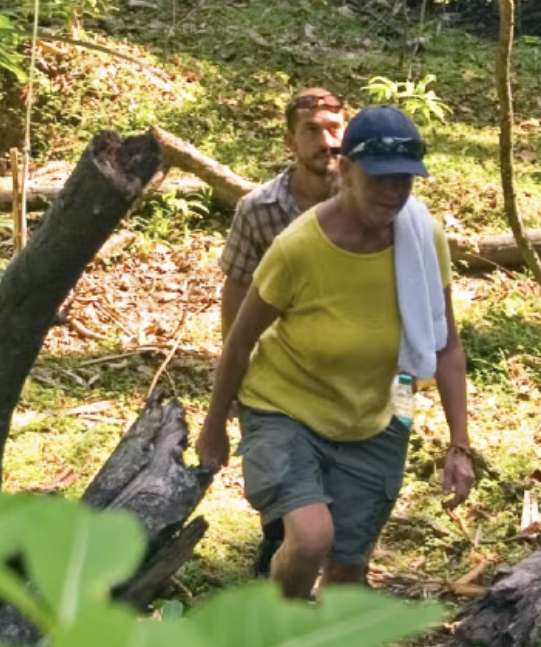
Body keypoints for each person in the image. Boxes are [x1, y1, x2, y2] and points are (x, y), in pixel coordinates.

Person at [200, 106, 477, 600]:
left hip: (382, 407)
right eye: (381, 179)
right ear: (346, 170)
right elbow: (241, 341)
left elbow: (446, 344)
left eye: (405, 181)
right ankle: (278, 632)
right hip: (285, 406)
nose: (394, 193)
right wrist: (214, 424)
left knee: (347, 573)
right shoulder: (299, 248)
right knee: (310, 541)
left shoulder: (420, 238)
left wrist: (459, 444)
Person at [218, 87, 347, 573]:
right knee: (285, 464)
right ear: (290, 139)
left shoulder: (367, 201)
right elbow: (236, 287)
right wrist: (235, 363)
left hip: (346, 361)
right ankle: (279, 548)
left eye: (334, 128)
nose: (325, 140)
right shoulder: (261, 209)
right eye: (311, 131)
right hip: (278, 366)